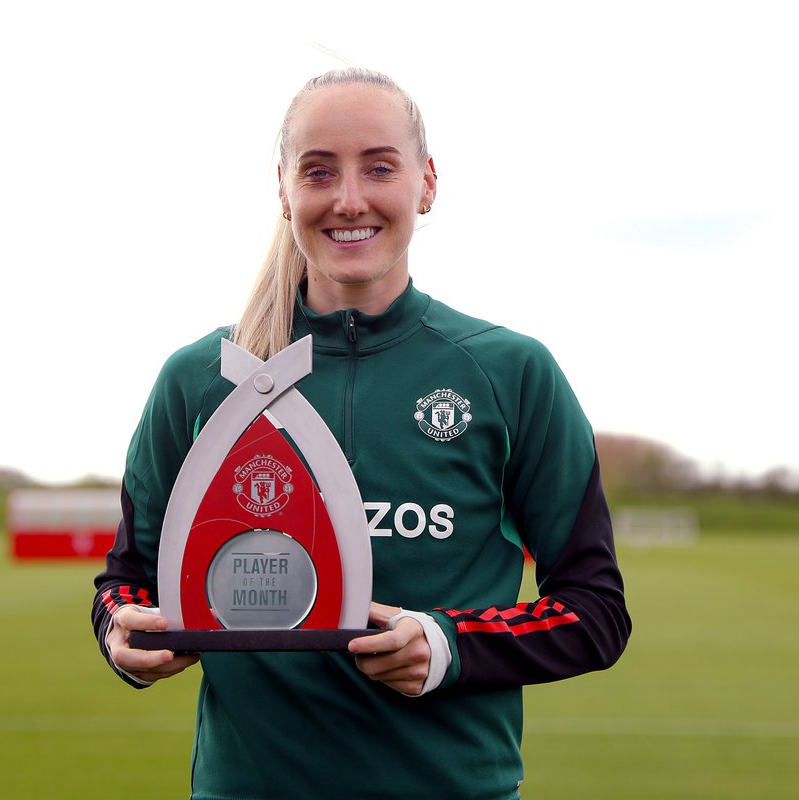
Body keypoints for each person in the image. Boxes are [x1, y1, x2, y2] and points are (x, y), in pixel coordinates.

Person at [92, 67, 630, 799]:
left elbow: (595, 613)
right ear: (283, 190)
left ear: (427, 183)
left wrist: (447, 647)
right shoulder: (200, 379)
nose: (350, 199)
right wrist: (123, 636)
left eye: (379, 166)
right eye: (319, 172)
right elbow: (125, 582)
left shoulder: (511, 372)